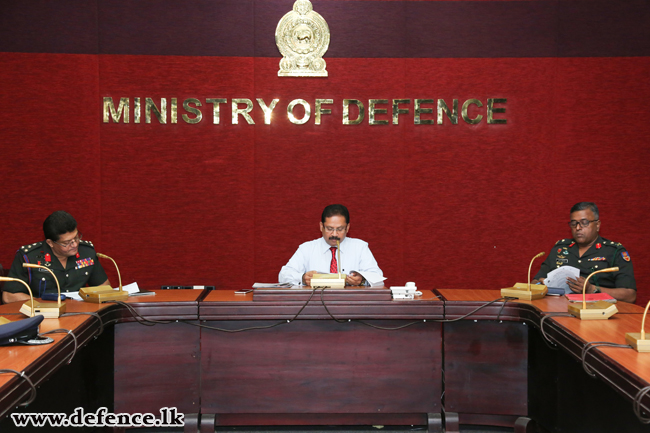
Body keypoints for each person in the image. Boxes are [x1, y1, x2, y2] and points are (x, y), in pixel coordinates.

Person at [532, 202, 636, 303]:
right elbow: (534, 283)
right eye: (574, 223)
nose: (578, 228)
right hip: (557, 309)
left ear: (598, 225)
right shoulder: (560, 248)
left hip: (597, 313)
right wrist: (540, 285)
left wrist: (592, 289)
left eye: (584, 223)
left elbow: (630, 295)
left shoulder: (614, 251)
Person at [2, 211, 110, 304]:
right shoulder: (29, 257)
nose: (75, 244)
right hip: (42, 316)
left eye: (76, 237)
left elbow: (104, 288)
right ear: (50, 243)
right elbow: (9, 296)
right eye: (67, 242)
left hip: (82, 314)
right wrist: (42, 304)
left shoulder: (87, 252)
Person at [279, 204, 383, 286]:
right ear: (321, 226)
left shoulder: (360, 247)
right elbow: (283, 275)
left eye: (340, 229)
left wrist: (362, 279)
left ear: (347, 228)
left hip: (350, 305)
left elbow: (378, 277)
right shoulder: (306, 249)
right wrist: (302, 278)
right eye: (329, 229)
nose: (334, 234)